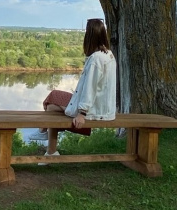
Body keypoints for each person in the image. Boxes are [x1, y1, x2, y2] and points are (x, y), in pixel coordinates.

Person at [28, 18, 117, 162]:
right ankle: (49, 148)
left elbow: (90, 88)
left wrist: (82, 113)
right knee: (52, 104)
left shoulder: (96, 59)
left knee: (52, 99)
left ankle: (45, 137)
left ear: (89, 36)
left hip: (93, 109)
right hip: (104, 107)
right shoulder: (108, 54)